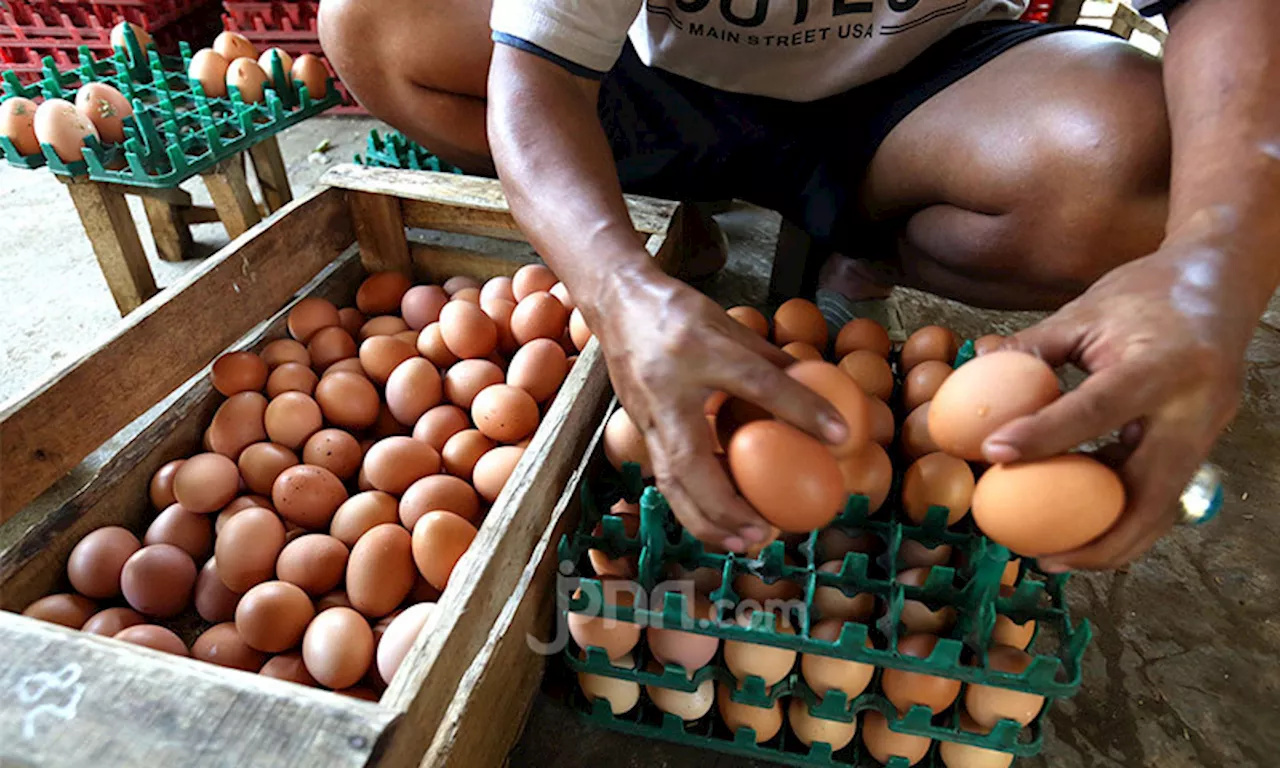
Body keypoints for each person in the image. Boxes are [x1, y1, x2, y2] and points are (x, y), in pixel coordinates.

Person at [319, 0, 1279, 572]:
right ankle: (661, 238)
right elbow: (535, 82)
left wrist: (1211, 272)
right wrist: (614, 284)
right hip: (651, 74)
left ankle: (864, 247)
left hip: (916, 86)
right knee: (374, 21)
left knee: (1131, 169)